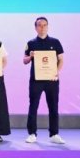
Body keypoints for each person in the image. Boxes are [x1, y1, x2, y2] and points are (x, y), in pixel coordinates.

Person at [23, 16, 66, 144]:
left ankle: (54, 134)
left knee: (53, 107)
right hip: (36, 80)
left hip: (51, 80)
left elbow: (61, 59)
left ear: (48, 26)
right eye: (39, 25)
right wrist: (30, 56)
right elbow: (24, 60)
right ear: (35, 27)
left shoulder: (55, 42)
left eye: (44, 25)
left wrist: (56, 72)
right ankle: (32, 134)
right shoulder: (31, 43)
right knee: (33, 106)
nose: (42, 27)